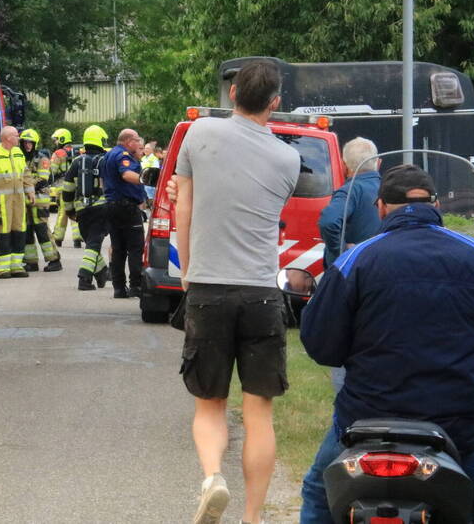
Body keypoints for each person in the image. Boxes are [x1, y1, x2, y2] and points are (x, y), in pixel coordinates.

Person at [299, 164, 474, 523]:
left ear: (381, 207)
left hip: (367, 420)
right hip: (458, 425)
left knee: (319, 493)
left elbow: (322, 346)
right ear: (435, 204)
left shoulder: (357, 259)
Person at [172, 58, 301, 524]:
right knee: (259, 413)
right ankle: (252, 517)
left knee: (209, 403)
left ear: (232, 94)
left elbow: (183, 206)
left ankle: (212, 478)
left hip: (208, 286)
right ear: (275, 103)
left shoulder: (199, 133)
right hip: (262, 294)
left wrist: (187, 271)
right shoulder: (289, 158)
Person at [318, 137, 381, 268]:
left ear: (343, 165)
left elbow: (328, 222)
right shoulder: (389, 189)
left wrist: (342, 249)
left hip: (351, 271)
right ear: (378, 163)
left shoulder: (350, 190)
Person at [0, 126, 35, 279]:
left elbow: (26, 173)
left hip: (18, 201)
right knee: (3, 234)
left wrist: (30, 189)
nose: (19, 139)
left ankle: (17, 266)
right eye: (16, 136)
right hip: (1, 203)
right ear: (8, 138)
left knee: (19, 231)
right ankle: (3, 269)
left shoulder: (18, 153)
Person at [61, 125, 110, 291]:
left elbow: (67, 189)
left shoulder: (76, 162)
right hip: (101, 210)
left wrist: (69, 211)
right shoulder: (106, 161)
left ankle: (102, 272)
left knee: (91, 243)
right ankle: (84, 278)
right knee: (94, 245)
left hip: (81, 211)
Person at [101, 129, 147, 299]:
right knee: (135, 248)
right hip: (126, 207)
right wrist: (146, 179)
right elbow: (127, 174)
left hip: (112, 206)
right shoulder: (123, 155)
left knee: (118, 249)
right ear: (129, 141)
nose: (139, 143)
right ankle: (136, 286)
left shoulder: (109, 154)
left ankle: (119, 288)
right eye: (137, 140)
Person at [19, 129, 62, 272]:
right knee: (27, 231)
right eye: (25, 142)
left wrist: (26, 186)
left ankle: (54, 260)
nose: (27, 145)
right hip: (25, 200)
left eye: (30, 143)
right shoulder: (20, 158)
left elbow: (42, 180)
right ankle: (31, 262)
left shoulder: (42, 159)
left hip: (39, 199)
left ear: (35, 143)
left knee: (42, 230)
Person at [49, 128, 83, 248]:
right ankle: (77, 237)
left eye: (56, 140)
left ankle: (58, 237)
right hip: (77, 186)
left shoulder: (58, 154)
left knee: (63, 212)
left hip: (62, 186)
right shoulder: (79, 152)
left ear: (62, 139)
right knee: (75, 211)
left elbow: (52, 171)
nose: (55, 143)